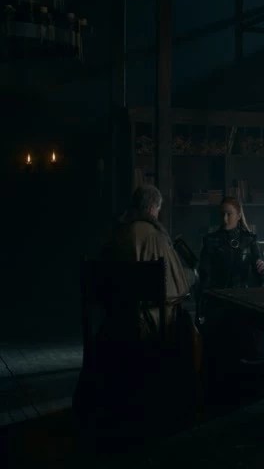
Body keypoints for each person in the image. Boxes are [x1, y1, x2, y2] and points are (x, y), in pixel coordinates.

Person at [73, 184, 201, 442]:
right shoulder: (154, 236)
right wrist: (193, 274)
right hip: (150, 325)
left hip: (115, 322)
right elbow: (175, 287)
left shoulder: (116, 234)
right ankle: (178, 406)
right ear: (153, 208)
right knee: (188, 327)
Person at [197, 196, 264, 402]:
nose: (225, 218)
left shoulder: (250, 239)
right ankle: (222, 390)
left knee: (251, 330)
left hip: (245, 301)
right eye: (222, 214)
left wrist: (262, 271)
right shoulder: (211, 240)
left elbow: (260, 279)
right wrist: (206, 303)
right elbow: (205, 276)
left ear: (238, 215)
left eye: (229, 214)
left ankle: (252, 386)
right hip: (219, 301)